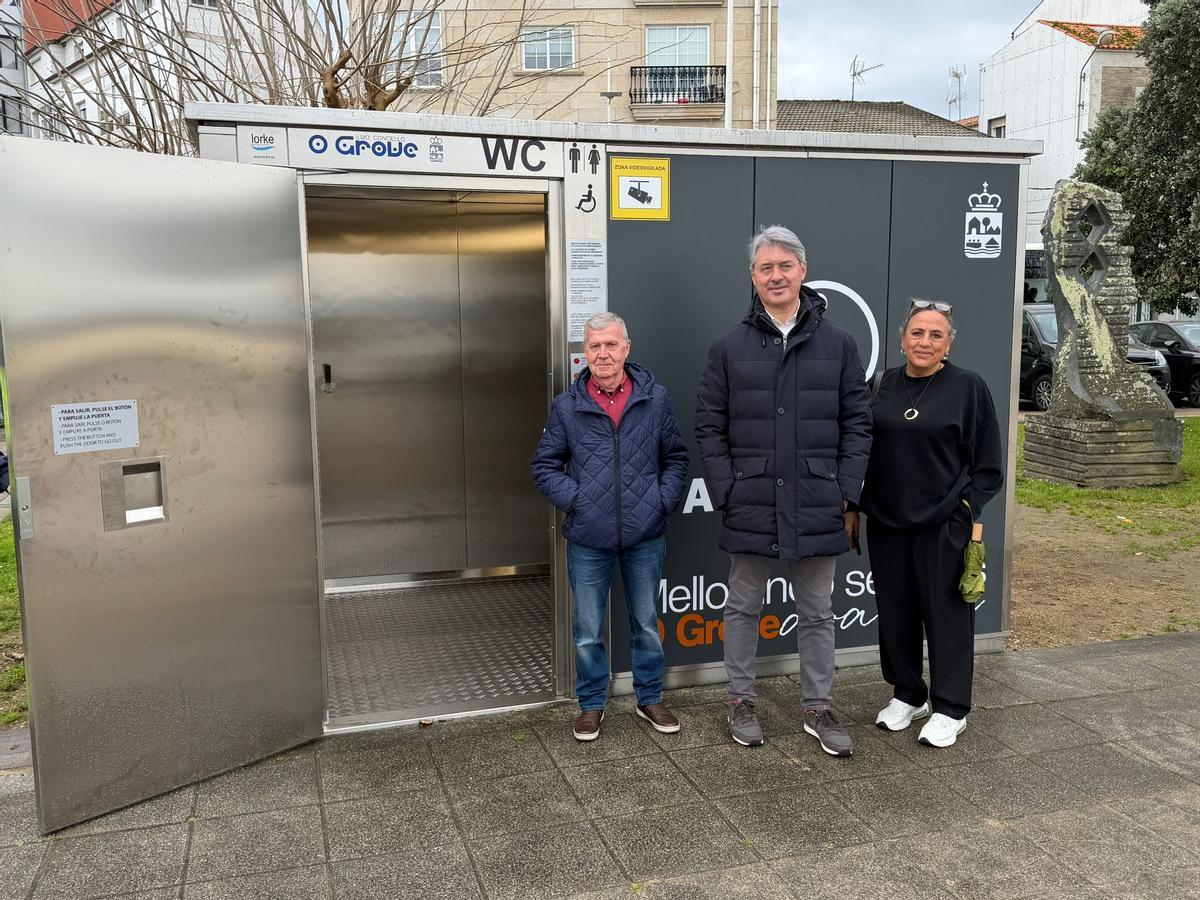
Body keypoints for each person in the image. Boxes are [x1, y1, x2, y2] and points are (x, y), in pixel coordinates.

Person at [695, 225, 872, 755]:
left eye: (784, 265)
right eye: (765, 267)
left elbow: (858, 424)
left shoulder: (839, 343)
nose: (776, 275)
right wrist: (726, 489)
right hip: (751, 499)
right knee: (742, 606)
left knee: (817, 611)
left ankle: (818, 707)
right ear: (753, 277)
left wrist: (846, 491)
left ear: (803, 270)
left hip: (817, 499)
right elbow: (709, 425)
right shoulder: (729, 346)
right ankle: (740, 700)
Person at [532, 311, 690, 742]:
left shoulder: (655, 398)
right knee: (588, 631)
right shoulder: (567, 406)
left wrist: (660, 502)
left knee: (646, 623)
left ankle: (649, 697)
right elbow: (544, 466)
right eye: (595, 346)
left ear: (626, 348)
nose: (603, 354)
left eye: (611, 344)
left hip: (645, 534)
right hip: (588, 538)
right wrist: (578, 501)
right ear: (585, 353)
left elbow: (676, 458)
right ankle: (591, 705)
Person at [858, 299, 1003, 748]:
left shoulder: (968, 387)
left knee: (947, 617)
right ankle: (908, 693)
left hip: (943, 524)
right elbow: (858, 448)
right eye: (917, 333)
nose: (925, 342)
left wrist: (965, 509)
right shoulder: (880, 385)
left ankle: (950, 708)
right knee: (895, 614)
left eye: (936, 334)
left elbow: (988, 466)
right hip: (886, 522)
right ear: (902, 339)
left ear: (949, 343)